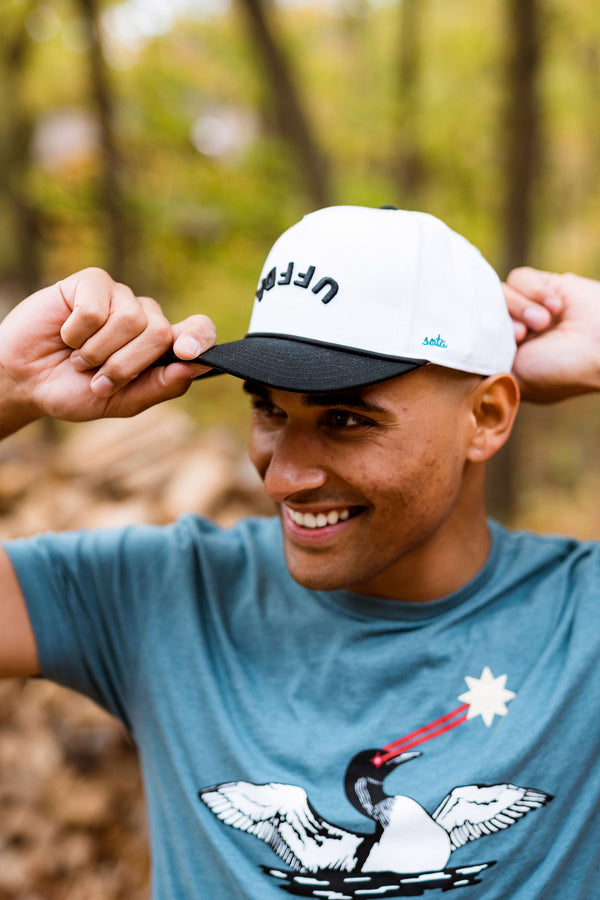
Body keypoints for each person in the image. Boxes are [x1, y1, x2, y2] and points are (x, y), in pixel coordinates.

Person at [0, 205, 599, 899]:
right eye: (270, 411)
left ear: (487, 416)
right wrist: (7, 386)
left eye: (344, 420)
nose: (283, 477)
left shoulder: (580, 623)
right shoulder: (167, 596)